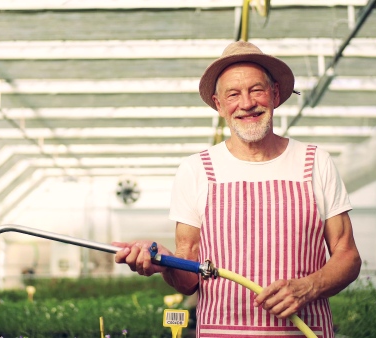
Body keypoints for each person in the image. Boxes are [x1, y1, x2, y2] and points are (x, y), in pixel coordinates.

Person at [114, 40, 362, 337]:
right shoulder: (196, 170)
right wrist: (164, 262)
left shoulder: (315, 162)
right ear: (219, 105)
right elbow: (187, 277)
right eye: (233, 94)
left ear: (275, 94)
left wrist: (309, 287)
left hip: (304, 331)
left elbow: (347, 256)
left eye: (256, 90)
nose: (246, 103)